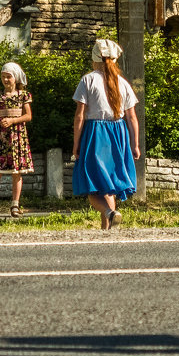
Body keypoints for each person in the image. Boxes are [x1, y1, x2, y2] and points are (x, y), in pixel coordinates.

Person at [71, 38, 141, 230]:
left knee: (92, 184)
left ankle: (109, 213)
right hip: (119, 132)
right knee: (109, 184)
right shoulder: (123, 83)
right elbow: (132, 117)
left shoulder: (88, 80)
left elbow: (80, 116)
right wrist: (134, 144)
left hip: (96, 132)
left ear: (95, 59)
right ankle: (108, 229)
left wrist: (76, 143)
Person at [0, 62, 34, 219]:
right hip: (1, 138)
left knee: (16, 173)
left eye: (8, 76)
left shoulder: (23, 96)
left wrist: (12, 121)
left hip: (17, 138)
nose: (5, 79)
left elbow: (28, 116)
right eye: (3, 76)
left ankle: (15, 205)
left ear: (15, 77)